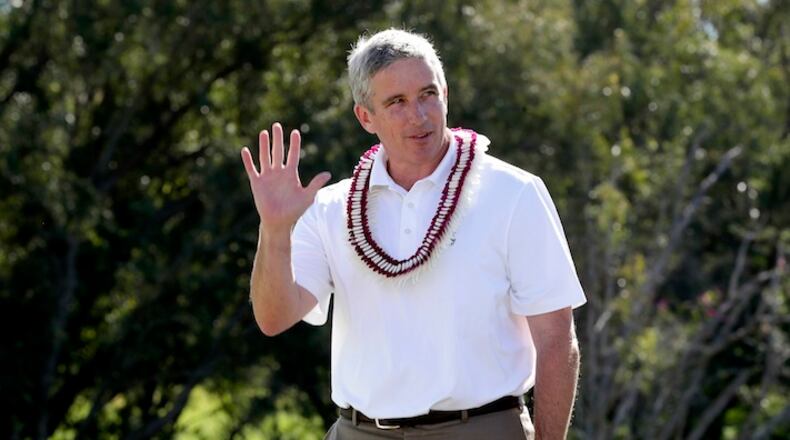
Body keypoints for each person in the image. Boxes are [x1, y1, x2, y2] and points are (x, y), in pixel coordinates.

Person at [241, 29, 586, 440]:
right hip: (359, 432)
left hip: (481, 429)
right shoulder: (332, 207)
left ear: (446, 94)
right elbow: (274, 318)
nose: (418, 116)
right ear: (365, 117)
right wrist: (275, 231)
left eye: (427, 95)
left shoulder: (514, 194)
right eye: (397, 102)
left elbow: (556, 338)